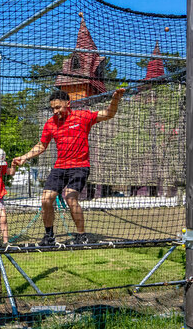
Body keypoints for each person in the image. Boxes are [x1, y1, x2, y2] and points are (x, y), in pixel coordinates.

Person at [12, 87, 126, 246]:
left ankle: (81, 236)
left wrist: (115, 99)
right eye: (52, 108)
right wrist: (24, 157)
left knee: (70, 198)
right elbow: (41, 145)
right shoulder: (50, 124)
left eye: (58, 107)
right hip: (60, 167)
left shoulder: (82, 116)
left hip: (80, 166)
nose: (55, 111)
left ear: (68, 103)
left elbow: (108, 114)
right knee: (46, 199)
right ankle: (49, 236)